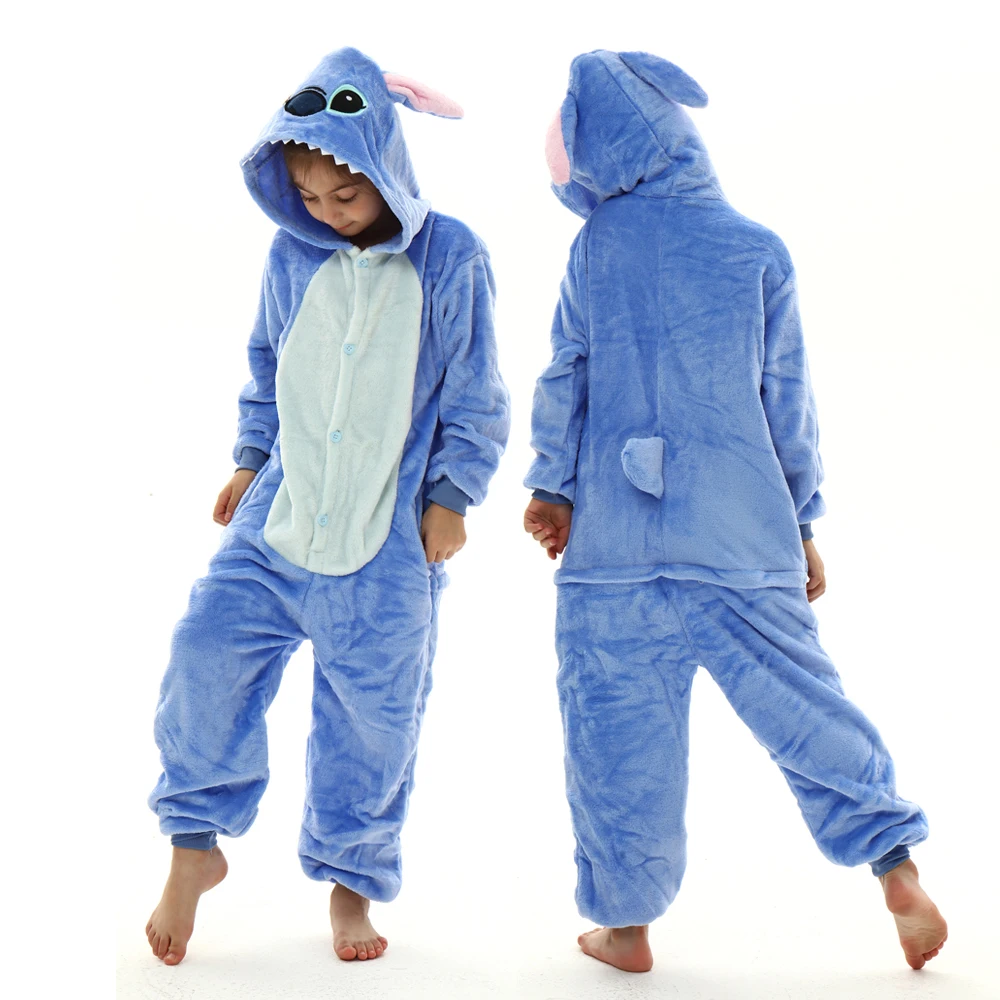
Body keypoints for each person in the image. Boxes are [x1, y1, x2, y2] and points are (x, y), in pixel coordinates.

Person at [523, 48, 947, 974]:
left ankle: (626, 927)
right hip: (740, 530)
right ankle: (893, 861)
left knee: (614, 734)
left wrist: (552, 486)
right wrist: (801, 521)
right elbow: (785, 397)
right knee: (803, 701)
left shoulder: (597, 247)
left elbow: (567, 373)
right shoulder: (756, 247)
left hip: (615, 544)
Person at [145, 45, 510, 966]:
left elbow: (477, 391)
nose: (326, 212)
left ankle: (352, 884)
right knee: (203, 656)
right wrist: (248, 460)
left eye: (344, 195)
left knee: (373, 721)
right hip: (279, 516)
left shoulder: (452, 255)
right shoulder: (291, 252)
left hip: (387, 540)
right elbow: (268, 362)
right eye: (308, 196)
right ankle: (194, 847)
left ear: (387, 166)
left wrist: (453, 496)